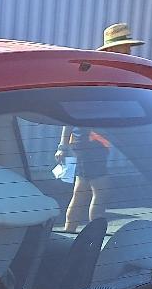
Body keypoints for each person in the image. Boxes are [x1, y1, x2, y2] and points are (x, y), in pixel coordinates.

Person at [55, 23, 146, 230]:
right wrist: (62, 145)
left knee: (82, 191)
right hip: (89, 142)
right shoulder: (97, 76)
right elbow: (73, 114)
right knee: (101, 190)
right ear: (114, 50)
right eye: (126, 47)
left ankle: (71, 230)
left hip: (90, 143)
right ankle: (94, 232)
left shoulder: (108, 75)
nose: (130, 52)